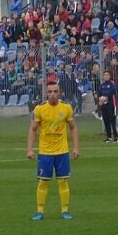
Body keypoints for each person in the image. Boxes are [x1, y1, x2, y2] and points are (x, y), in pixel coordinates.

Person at [26, 82, 80, 221]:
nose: (53, 94)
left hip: (62, 151)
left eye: (55, 91)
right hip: (45, 152)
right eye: (50, 92)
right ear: (46, 93)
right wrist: (30, 149)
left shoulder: (66, 108)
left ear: (60, 93)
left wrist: (76, 147)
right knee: (43, 182)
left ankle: (65, 210)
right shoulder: (40, 109)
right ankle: (40, 211)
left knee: (63, 181)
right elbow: (33, 129)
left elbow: (73, 128)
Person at [98, 71, 118, 143]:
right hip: (104, 105)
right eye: (105, 75)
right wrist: (100, 100)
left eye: (107, 75)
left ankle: (116, 137)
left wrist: (106, 98)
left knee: (112, 121)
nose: (106, 76)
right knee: (106, 121)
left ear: (110, 76)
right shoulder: (102, 85)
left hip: (111, 104)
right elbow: (99, 93)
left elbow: (112, 92)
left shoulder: (112, 84)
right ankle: (109, 137)